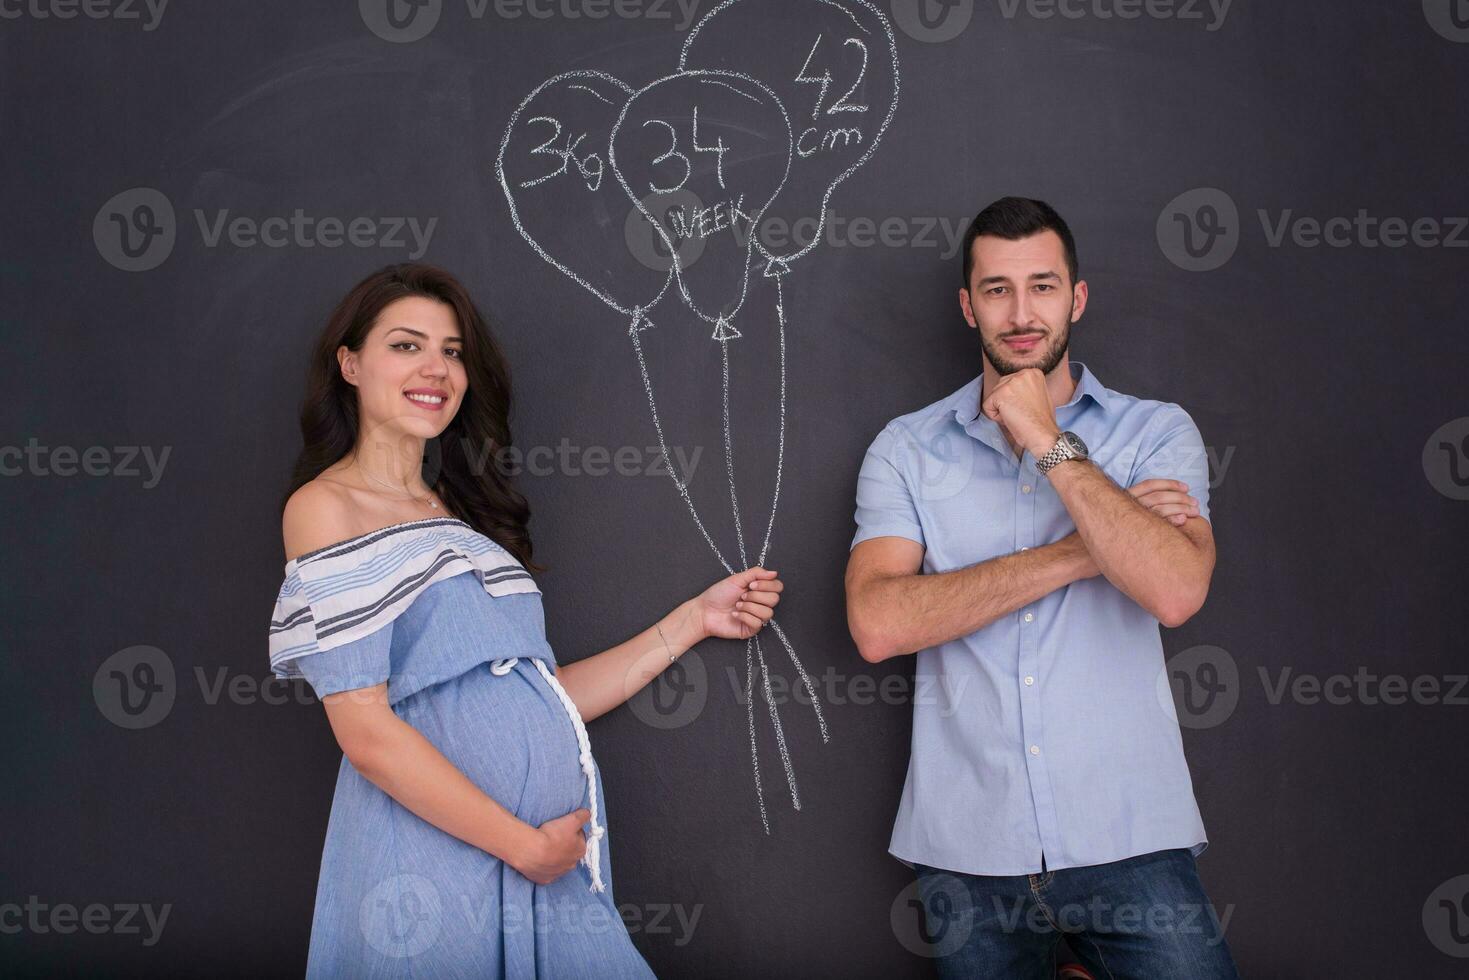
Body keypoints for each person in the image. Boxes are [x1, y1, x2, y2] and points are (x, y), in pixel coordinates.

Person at [268, 262, 782, 977]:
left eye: (452, 351)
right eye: (407, 345)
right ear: (350, 363)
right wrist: (519, 845)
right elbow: (364, 731)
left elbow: (543, 697)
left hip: (539, 864)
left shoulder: (462, 518)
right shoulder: (327, 508)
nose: (437, 368)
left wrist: (693, 621)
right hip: (433, 867)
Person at [844, 197, 1240, 977]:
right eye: (996, 289)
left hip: (1129, 836)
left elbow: (1173, 590)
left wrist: (1044, 438)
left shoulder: (1157, 431)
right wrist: (1083, 552)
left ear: (1076, 297)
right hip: (965, 852)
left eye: (1042, 286)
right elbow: (878, 624)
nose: (1021, 312)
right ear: (967, 306)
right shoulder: (905, 448)